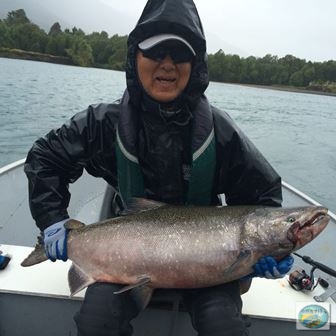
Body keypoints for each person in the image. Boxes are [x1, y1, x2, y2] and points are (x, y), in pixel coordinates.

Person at [24, 0, 293, 335]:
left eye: (179, 54)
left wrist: (271, 249)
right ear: (134, 57)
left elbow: (263, 198)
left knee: (223, 324)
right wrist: (53, 221)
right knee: (96, 321)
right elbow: (45, 158)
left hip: (208, 266)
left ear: (195, 65)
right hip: (125, 256)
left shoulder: (221, 132)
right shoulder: (103, 124)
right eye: (155, 52)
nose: (167, 64)